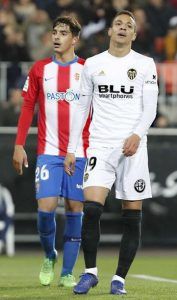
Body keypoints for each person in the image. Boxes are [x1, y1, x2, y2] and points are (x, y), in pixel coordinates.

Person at [64, 10, 158, 295]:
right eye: (118, 23)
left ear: (134, 34)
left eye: (128, 25)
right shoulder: (93, 65)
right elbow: (81, 108)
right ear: (109, 31)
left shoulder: (144, 64)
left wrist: (136, 135)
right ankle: (90, 272)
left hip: (133, 147)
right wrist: (71, 149)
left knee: (132, 214)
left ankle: (119, 278)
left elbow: (150, 108)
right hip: (100, 145)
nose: (122, 28)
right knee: (91, 209)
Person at [12, 16, 90, 288]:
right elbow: (26, 107)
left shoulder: (87, 70)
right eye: (54, 32)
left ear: (75, 39)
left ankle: (68, 272)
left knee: (74, 208)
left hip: (80, 152)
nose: (57, 37)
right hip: (48, 151)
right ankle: (49, 255)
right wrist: (19, 144)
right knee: (45, 209)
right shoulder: (39, 69)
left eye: (63, 33)